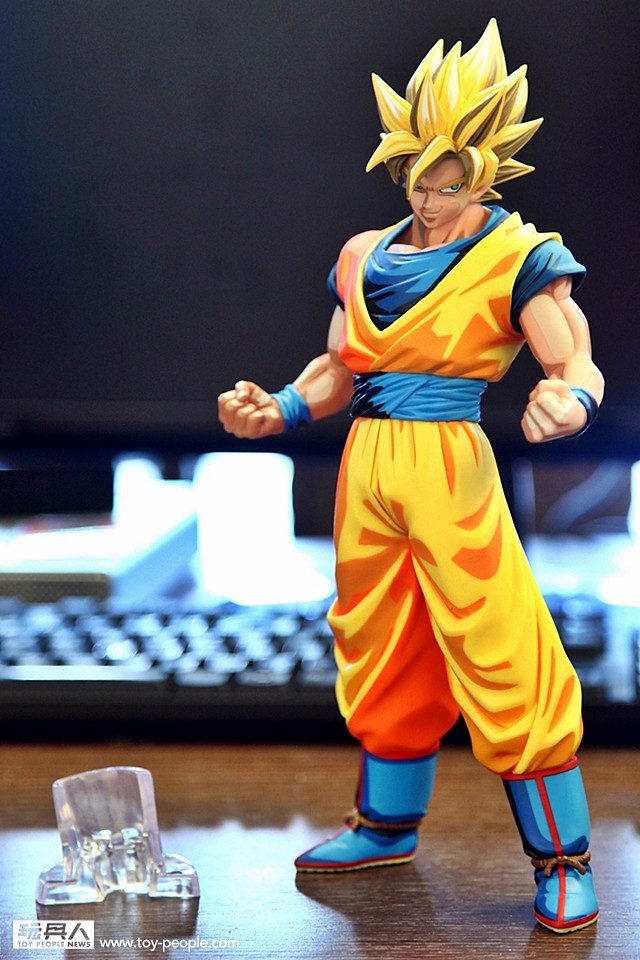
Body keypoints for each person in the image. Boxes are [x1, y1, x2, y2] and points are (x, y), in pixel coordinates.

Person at [217, 19, 604, 934]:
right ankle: (385, 824)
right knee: (379, 642)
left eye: (449, 182)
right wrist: (281, 408)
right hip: (368, 466)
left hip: (449, 465)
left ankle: (563, 856)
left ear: (486, 172)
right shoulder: (364, 254)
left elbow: (573, 361)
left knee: (502, 646)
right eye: (416, 178)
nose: (429, 199)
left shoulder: (518, 258)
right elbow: (339, 365)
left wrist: (570, 403)